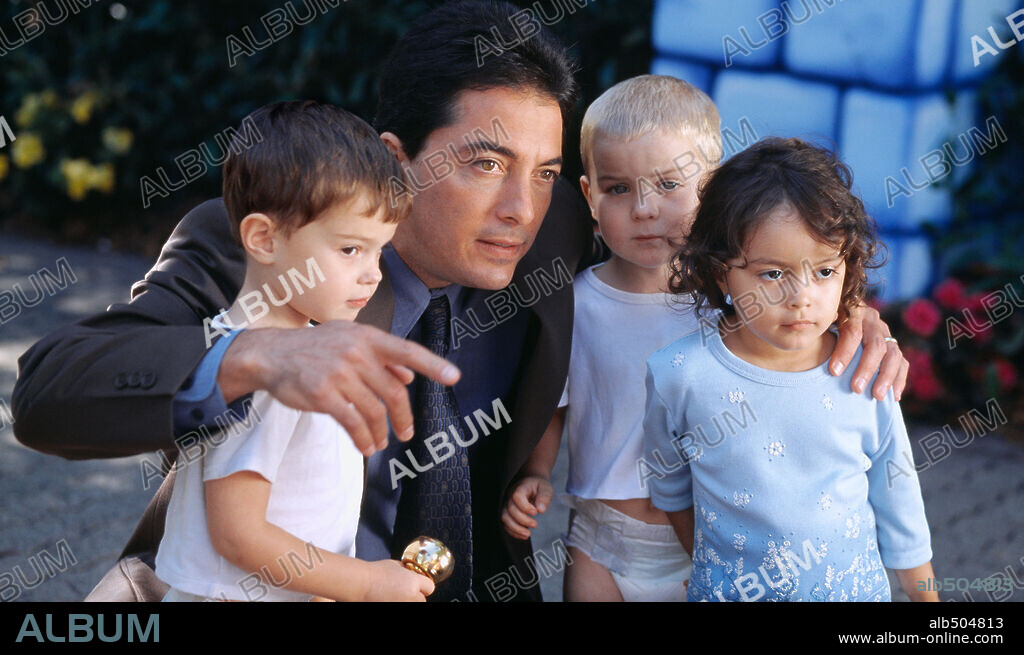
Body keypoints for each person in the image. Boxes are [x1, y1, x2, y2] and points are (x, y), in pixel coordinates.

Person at [11, 1, 909, 602]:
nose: (521, 207)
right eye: (484, 164)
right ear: (399, 158)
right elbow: (51, 390)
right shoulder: (268, 245)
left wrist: (839, 310)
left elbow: (723, 243)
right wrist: (257, 354)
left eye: (548, 173)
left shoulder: (554, 231)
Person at [155, 100, 433, 602]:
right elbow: (238, 532)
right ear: (264, 238)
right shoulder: (268, 367)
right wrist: (367, 583)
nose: (373, 273)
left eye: (379, 250)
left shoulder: (271, 345)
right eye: (350, 249)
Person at [643, 137, 937, 602]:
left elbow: (899, 504)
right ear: (722, 274)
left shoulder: (866, 374)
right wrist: (709, 569)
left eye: (824, 271)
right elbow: (671, 490)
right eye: (772, 274)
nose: (802, 296)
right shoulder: (678, 375)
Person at [501, 75, 718, 601]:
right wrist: (536, 471)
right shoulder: (574, 304)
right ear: (588, 197)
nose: (643, 209)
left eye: (669, 184)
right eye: (618, 188)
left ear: (711, 186)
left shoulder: (728, 305)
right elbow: (556, 400)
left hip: (707, 543)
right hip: (600, 540)